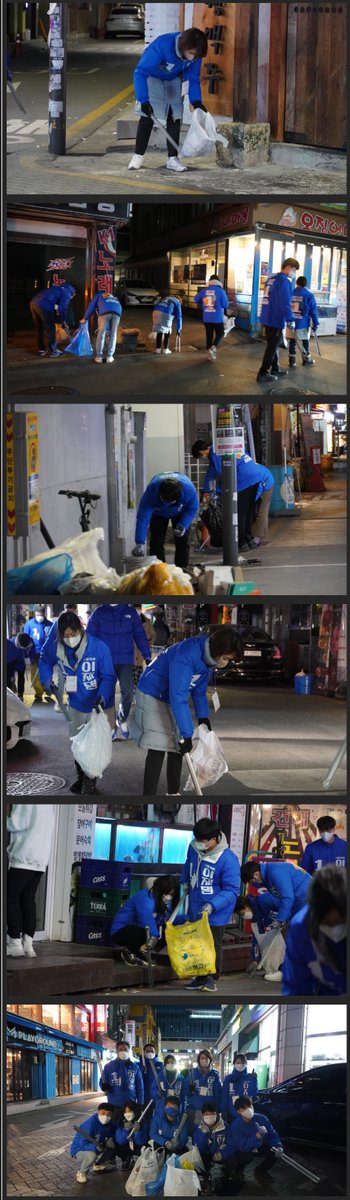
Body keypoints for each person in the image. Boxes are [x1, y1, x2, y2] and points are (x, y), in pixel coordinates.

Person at [131, 627, 243, 797]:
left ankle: (173, 795)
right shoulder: (187, 655)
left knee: (178, 746)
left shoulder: (208, 658)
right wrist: (188, 733)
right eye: (226, 658)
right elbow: (178, 696)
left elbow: (198, 688)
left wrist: (202, 716)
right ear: (217, 650)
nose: (226, 662)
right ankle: (148, 798)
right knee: (158, 745)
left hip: (171, 695)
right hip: (153, 692)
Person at [39, 611, 116, 794]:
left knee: (92, 745)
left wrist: (103, 696)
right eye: (65, 636)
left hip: (98, 705)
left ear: (80, 630)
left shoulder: (98, 648)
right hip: (75, 704)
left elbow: (109, 676)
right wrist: (46, 679)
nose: (70, 639)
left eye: (73, 635)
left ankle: (90, 783)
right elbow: (44, 660)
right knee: (77, 744)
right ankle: (81, 777)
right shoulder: (56, 647)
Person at [129, 28, 208, 174]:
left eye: (196, 55)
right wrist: (144, 100)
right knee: (147, 117)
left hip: (175, 79)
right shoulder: (163, 45)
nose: (193, 57)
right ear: (183, 47)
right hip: (153, 77)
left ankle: (173, 159)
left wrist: (196, 101)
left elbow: (193, 77)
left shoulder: (195, 53)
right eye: (191, 53)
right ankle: (138, 156)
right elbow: (140, 72)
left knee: (175, 116)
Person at [181, 817, 241, 991]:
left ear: (215, 839)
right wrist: (184, 881)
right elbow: (188, 864)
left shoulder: (228, 859)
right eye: (197, 839)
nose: (199, 843)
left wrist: (213, 905)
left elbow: (232, 890)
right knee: (196, 942)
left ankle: (211, 978)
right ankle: (199, 977)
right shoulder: (194, 847)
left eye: (203, 841)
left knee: (213, 944)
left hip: (216, 911)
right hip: (195, 904)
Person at [86, 604, 151, 741]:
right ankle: (111, 726)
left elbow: (139, 634)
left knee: (128, 692)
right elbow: (90, 636)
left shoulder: (130, 612)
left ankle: (121, 719)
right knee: (107, 694)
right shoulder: (99, 612)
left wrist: (147, 655)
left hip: (125, 659)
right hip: (105, 660)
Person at [282, 864, 346, 995]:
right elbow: (296, 987)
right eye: (327, 922)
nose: (334, 928)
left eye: (339, 921)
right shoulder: (300, 929)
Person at [7, 805, 55, 958]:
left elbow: (15, 823)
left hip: (25, 857)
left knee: (8, 897)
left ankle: (14, 943)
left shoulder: (27, 801)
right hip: (40, 859)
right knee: (28, 901)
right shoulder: (49, 806)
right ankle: (28, 944)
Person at [132, 472, 199, 570]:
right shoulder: (152, 491)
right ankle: (159, 571)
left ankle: (181, 570)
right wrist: (140, 542)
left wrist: (183, 525)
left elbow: (191, 509)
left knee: (182, 540)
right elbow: (143, 517)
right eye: (165, 499)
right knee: (156, 541)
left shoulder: (189, 491)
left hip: (180, 511)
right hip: (158, 513)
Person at [110, 875, 179, 967]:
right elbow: (145, 916)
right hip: (121, 930)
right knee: (142, 931)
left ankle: (141, 952)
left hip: (140, 929)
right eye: (168, 893)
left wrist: (188, 918)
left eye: (171, 894)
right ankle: (130, 951)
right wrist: (154, 935)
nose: (169, 897)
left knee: (167, 930)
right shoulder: (144, 897)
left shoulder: (160, 901)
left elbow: (168, 918)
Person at [218, 1096, 283, 1183]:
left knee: (275, 1152)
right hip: (245, 1149)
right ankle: (239, 1169)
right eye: (244, 1108)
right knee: (246, 1157)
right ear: (238, 1111)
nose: (248, 1110)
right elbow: (242, 1146)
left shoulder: (262, 1119)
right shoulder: (236, 1125)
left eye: (250, 1106)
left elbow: (273, 1135)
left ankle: (262, 1169)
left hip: (259, 1145)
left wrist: (278, 1146)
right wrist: (256, 1137)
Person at [257, 258, 299, 382]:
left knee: (273, 345)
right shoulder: (284, 281)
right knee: (272, 346)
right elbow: (285, 303)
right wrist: (290, 319)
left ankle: (275, 368)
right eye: (294, 270)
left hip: (267, 317)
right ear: (288, 268)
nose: (294, 273)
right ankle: (263, 372)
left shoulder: (270, 279)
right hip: (275, 318)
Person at [240, 857, 310, 925]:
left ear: (256, 874)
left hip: (307, 897)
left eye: (252, 881)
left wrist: (280, 919)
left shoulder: (275, 872)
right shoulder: (267, 877)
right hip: (301, 898)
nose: (254, 884)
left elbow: (287, 897)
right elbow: (282, 897)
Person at [234, 892, 283, 983]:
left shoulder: (263, 901)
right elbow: (257, 939)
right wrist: (255, 960)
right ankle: (274, 971)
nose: (244, 916)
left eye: (242, 913)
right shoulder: (255, 919)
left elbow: (285, 904)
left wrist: (283, 918)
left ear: (246, 905)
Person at [70, 1101, 116, 1184]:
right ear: (98, 1112)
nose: (105, 1116)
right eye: (103, 1113)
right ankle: (81, 1172)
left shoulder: (110, 1123)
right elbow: (83, 1144)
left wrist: (110, 1139)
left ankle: (98, 1164)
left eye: (108, 1114)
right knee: (92, 1155)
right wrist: (95, 1147)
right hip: (79, 1150)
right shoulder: (90, 1124)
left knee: (111, 1146)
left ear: (112, 1115)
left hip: (97, 1145)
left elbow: (111, 1133)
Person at [236, 454, 275, 550]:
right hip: (260, 480)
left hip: (266, 483)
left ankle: (258, 537)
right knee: (251, 511)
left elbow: (258, 489)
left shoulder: (248, 471)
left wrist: (250, 500)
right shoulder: (241, 467)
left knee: (262, 511)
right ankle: (251, 535)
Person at [99, 1041, 144, 1122]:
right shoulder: (109, 1066)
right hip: (114, 1104)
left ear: (129, 1051)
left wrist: (140, 1103)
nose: (123, 1051)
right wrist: (103, 1085)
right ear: (116, 1051)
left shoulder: (135, 1067)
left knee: (129, 1128)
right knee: (115, 1128)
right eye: (120, 1049)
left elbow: (140, 1087)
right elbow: (102, 1081)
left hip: (130, 1106)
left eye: (125, 1050)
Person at [29, 281, 76, 358]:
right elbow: (62, 308)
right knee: (50, 328)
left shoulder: (58, 288)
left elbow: (56, 306)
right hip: (44, 305)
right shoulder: (67, 292)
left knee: (39, 327)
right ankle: (53, 351)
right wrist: (63, 321)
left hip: (33, 303)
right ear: (73, 293)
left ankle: (41, 349)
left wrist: (58, 317)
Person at [194, 276, 230, 362]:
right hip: (217, 318)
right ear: (218, 281)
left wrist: (203, 302)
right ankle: (214, 347)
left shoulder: (204, 290)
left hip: (206, 318)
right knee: (220, 332)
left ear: (210, 281)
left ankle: (209, 355)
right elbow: (226, 305)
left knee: (209, 335)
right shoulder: (221, 291)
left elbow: (195, 299)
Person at [81, 289, 122, 365]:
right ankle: (110, 357)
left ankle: (99, 357)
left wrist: (85, 318)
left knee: (101, 335)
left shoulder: (98, 295)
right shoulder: (113, 296)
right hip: (117, 313)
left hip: (104, 313)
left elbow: (91, 307)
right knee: (113, 335)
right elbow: (118, 306)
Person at [183, 1052, 222, 1129]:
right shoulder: (192, 1074)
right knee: (196, 1134)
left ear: (210, 1060)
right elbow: (185, 1092)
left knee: (209, 1134)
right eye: (202, 1058)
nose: (204, 1060)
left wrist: (217, 1108)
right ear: (199, 1060)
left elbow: (218, 1093)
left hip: (210, 1111)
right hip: (195, 1110)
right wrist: (190, 1090)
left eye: (206, 1058)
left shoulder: (215, 1075)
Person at [289, 275, 319, 367]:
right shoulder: (309, 295)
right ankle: (306, 360)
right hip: (303, 323)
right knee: (305, 340)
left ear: (297, 283)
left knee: (293, 341)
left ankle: (292, 361)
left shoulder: (291, 292)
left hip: (291, 322)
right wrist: (315, 323)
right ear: (306, 284)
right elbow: (313, 311)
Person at [24, 606, 53, 701]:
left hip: (47, 653)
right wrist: (26, 654)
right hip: (34, 653)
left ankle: (48, 688)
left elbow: (54, 639)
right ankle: (38, 693)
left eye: (41, 615)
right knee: (35, 674)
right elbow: (25, 639)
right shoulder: (29, 624)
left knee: (47, 672)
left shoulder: (50, 625)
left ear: (44, 614)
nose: (39, 617)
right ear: (35, 614)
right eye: (37, 615)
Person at [221, 1055, 258, 1123]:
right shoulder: (228, 1078)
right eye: (238, 1062)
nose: (240, 1064)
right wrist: (223, 1109)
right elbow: (224, 1095)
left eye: (242, 1062)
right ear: (234, 1064)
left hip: (245, 1111)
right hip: (231, 1112)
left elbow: (254, 1093)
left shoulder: (250, 1077)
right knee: (232, 1131)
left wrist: (254, 1080)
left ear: (246, 1064)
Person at [114, 1101, 146, 1168]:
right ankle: (126, 1159)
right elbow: (120, 1141)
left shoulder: (142, 1122)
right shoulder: (120, 1123)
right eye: (126, 1112)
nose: (127, 1114)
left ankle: (136, 1158)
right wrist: (125, 1130)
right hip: (125, 1146)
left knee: (144, 1148)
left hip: (137, 1146)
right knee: (118, 1146)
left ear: (135, 1111)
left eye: (130, 1111)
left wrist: (138, 1132)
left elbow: (141, 1142)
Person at [7, 633, 35, 700]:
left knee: (21, 677)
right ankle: (11, 694)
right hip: (12, 662)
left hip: (22, 663)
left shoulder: (30, 642)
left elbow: (32, 652)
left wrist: (30, 659)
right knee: (10, 678)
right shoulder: (12, 643)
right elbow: (9, 659)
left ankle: (20, 694)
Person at [133, 606, 156, 690]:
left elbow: (153, 636)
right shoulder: (127, 620)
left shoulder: (146, 621)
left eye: (138, 609)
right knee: (128, 681)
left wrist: (148, 640)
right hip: (129, 655)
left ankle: (137, 697)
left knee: (139, 680)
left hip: (140, 655)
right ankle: (129, 698)